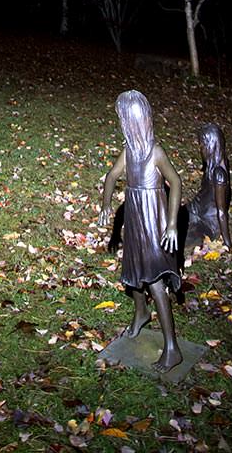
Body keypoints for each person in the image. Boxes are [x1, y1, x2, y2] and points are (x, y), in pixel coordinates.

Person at [98, 89, 183, 370]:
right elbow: (112, 175)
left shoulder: (155, 152)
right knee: (132, 271)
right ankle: (141, 312)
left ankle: (172, 347)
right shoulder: (129, 152)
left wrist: (171, 224)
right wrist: (106, 206)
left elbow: (177, 183)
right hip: (135, 219)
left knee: (155, 280)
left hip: (153, 221)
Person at [184, 121, 232, 256]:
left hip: (207, 221)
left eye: (202, 145)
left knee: (184, 237)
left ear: (211, 145)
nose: (201, 149)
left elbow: (222, 211)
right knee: (171, 215)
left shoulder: (219, 174)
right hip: (197, 208)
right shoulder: (213, 166)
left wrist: (228, 243)